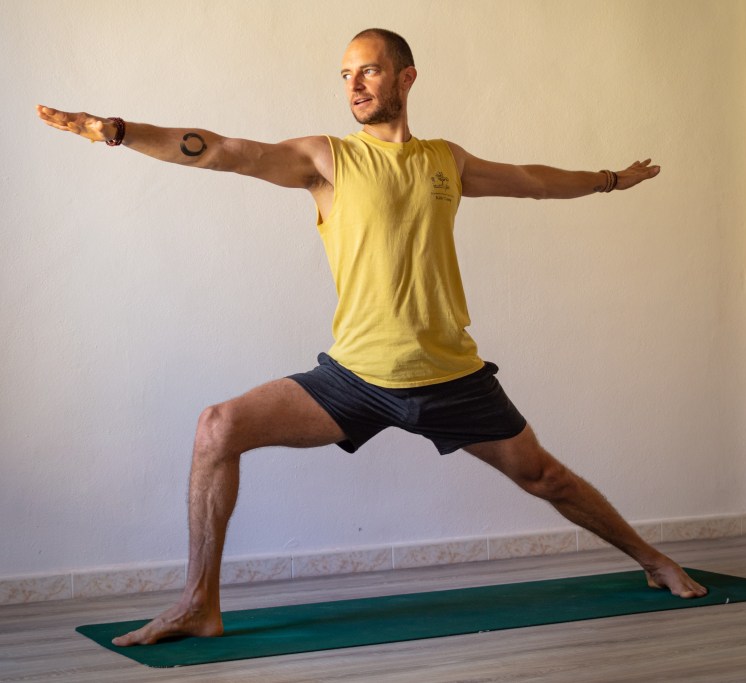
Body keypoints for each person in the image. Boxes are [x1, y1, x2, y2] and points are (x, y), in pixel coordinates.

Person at [37, 28, 707, 647]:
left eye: (369, 71)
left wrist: (610, 180)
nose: (354, 85)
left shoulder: (445, 160)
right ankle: (197, 603)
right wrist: (118, 131)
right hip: (355, 378)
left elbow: (532, 181)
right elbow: (220, 150)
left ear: (406, 78)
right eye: (345, 74)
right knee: (218, 427)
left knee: (545, 477)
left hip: (450, 376)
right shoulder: (327, 158)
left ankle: (654, 560)